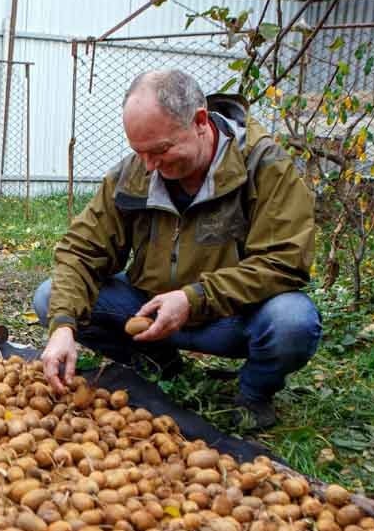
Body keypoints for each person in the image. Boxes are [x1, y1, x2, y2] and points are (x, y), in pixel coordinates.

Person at [33, 69, 321, 430]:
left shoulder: (264, 165)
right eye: (139, 152)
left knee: (292, 321)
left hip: (230, 318)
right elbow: (80, 251)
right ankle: (156, 362)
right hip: (151, 311)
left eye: (161, 150)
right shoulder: (134, 172)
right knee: (51, 299)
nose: (150, 165)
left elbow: (284, 261)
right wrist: (63, 328)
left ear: (199, 121)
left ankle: (253, 395)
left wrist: (194, 298)